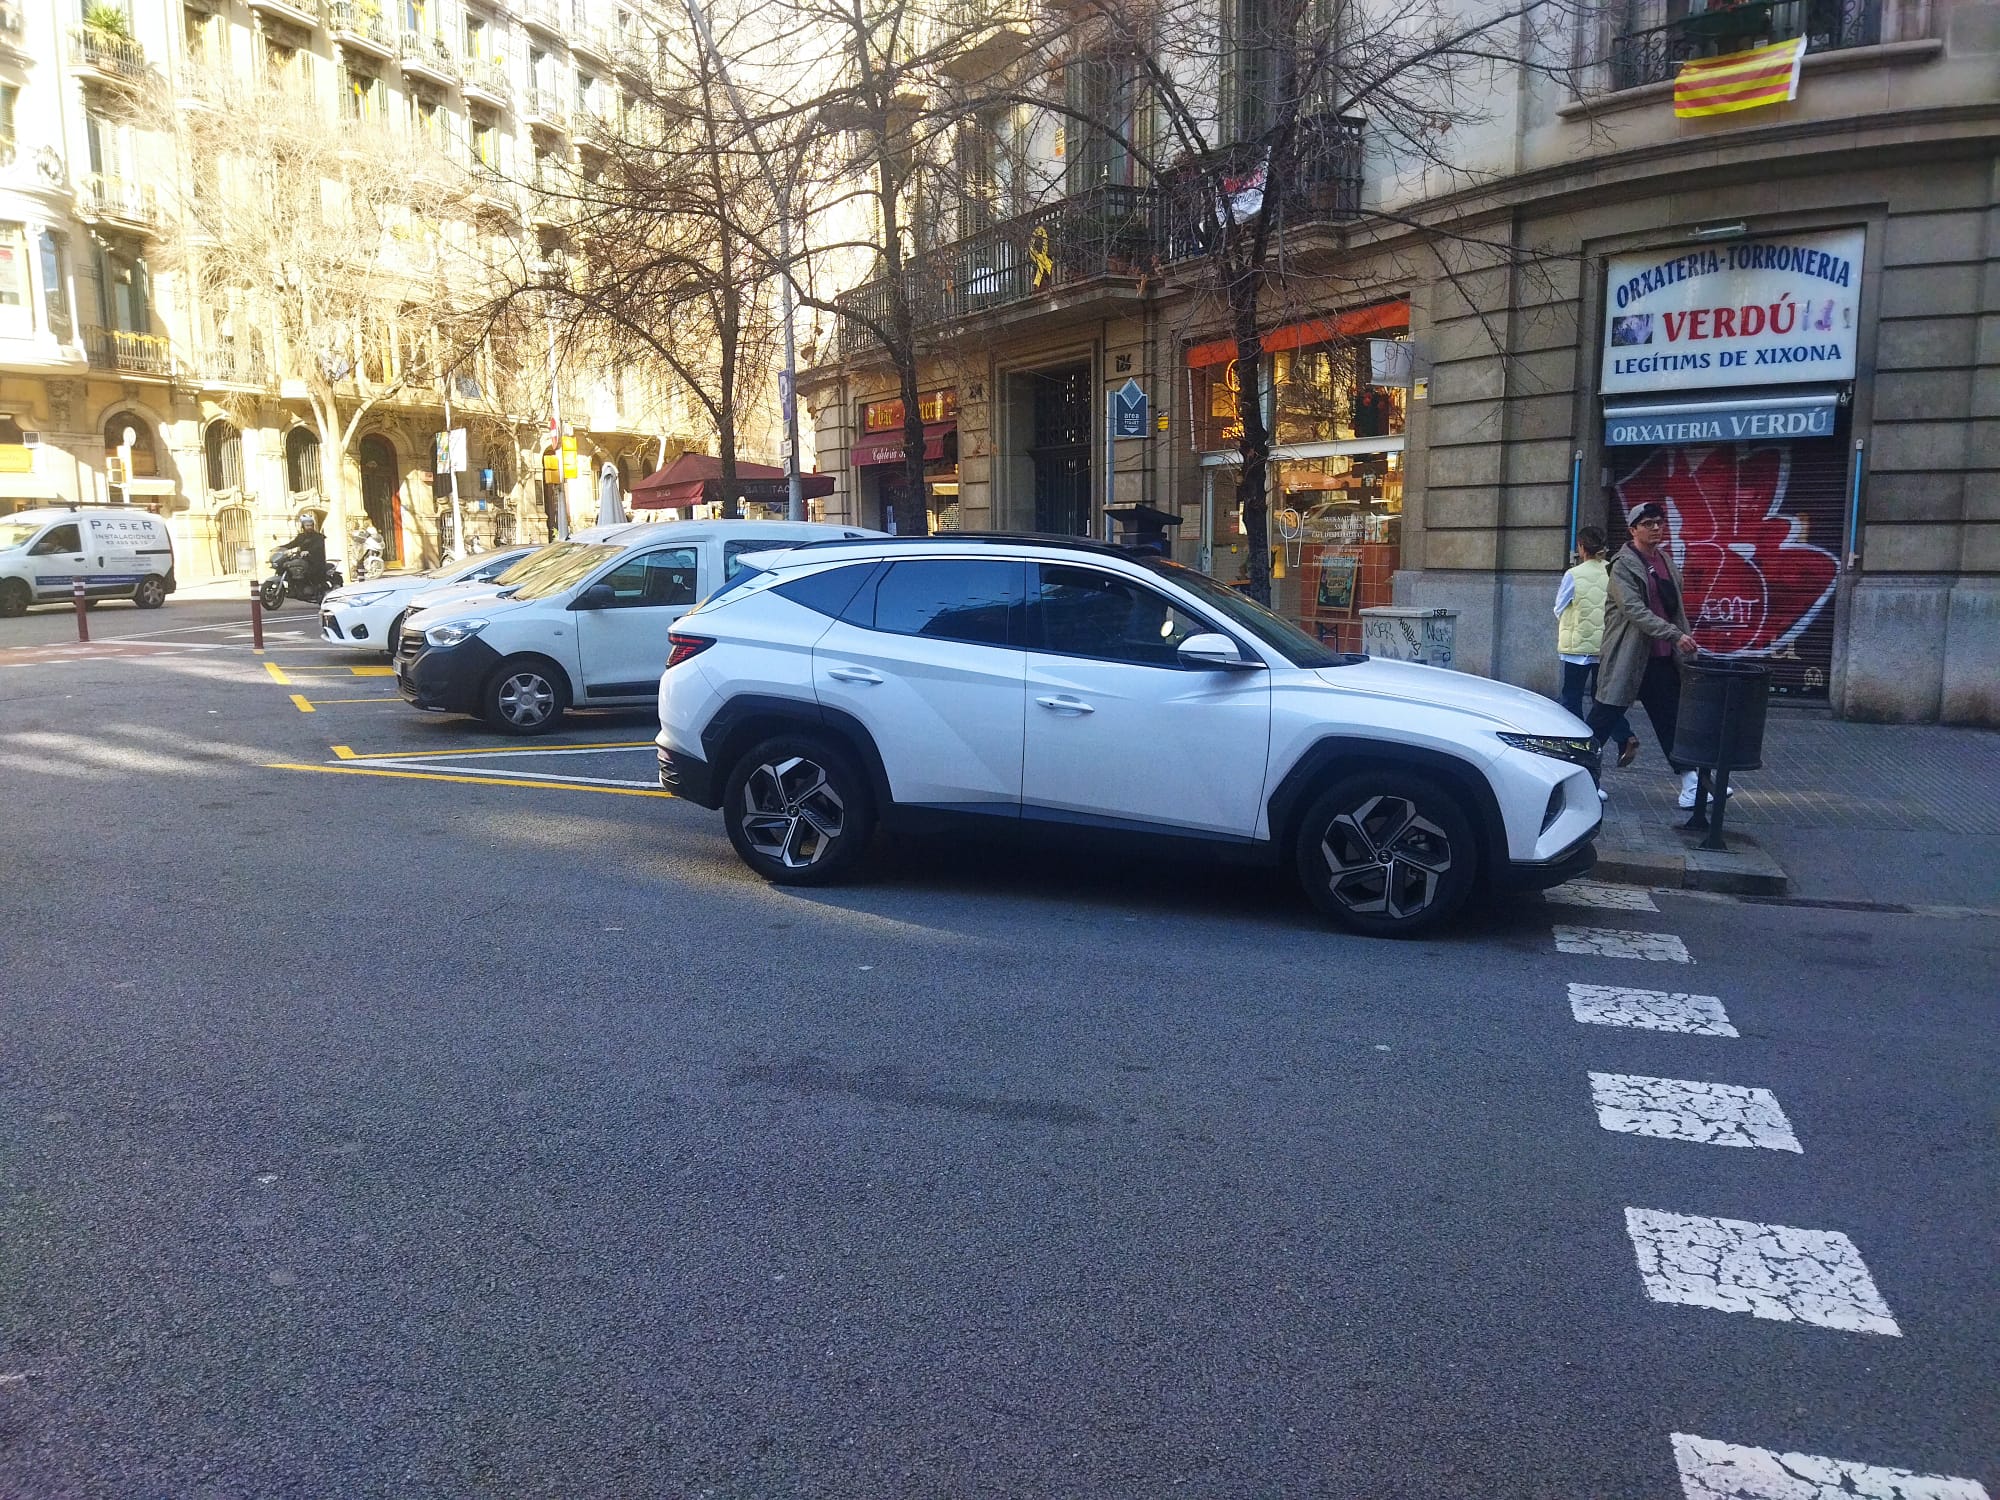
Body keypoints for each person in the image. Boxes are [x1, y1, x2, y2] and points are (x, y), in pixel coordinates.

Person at [1589, 501, 1704, 809]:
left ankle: (1692, 784)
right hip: (1627, 656)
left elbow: (1674, 607)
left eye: (1659, 522)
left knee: (1671, 721)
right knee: (1603, 720)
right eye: (1648, 523)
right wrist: (1675, 634)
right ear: (1633, 529)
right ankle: (1580, 778)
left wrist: (1683, 637)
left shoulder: (1665, 559)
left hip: (1661, 658)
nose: (1656, 528)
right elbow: (1634, 610)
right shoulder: (1622, 565)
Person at [1554, 527, 1638, 767]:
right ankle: (1625, 736)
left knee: (1571, 698)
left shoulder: (1574, 574)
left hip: (1578, 647)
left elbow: (1559, 606)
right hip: (1607, 645)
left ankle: (1577, 744)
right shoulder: (1615, 570)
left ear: (1581, 547)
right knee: (1603, 699)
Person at [283, 514, 328, 593]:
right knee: (291, 566)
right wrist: (281, 548)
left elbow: (318, 547)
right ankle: (293, 588)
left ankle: (313, 590)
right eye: (307, 525)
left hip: (315, 561)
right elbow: (292, 544)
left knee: (309, 573)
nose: (309, 527)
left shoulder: (319, 537)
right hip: (304, 560)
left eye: (311, 525)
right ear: (303, 526)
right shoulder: (301, 537)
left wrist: (309, 551)